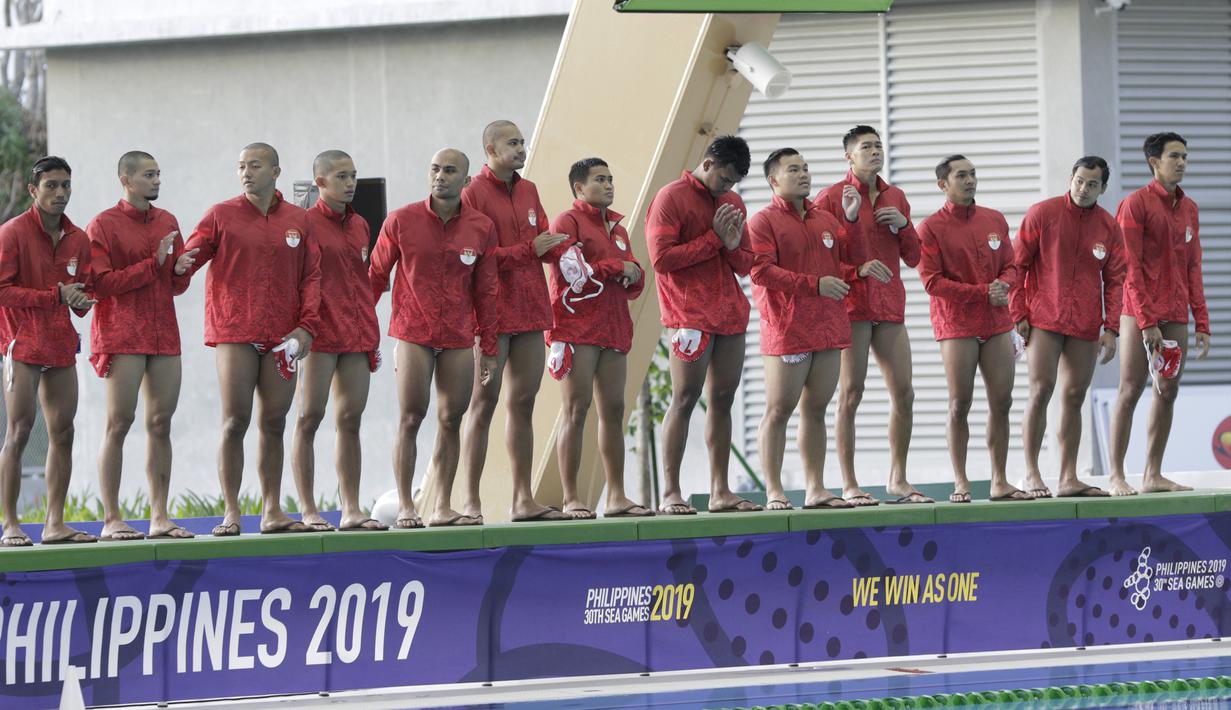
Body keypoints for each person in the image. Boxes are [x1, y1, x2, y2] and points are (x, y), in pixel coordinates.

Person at [185, 143, 320, 535]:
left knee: (274, 422)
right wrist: (178, 264)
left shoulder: (299, 220)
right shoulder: (221, 215)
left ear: (276, 172)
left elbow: (311, 277)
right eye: (241, 166)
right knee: (234, 421)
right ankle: (231, 511)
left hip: (284, 334)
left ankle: (273, 510)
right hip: (235, 331)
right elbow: (191, 257)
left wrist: (307, 327)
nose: (246, 172)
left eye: (255, 165)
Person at [370, 148, 499, 528]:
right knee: (411, 416)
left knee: (450, 420)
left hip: (458, 335)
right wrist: (360, 334)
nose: (440, 176)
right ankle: (408, 504)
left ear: (466, 179)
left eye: (449, 170)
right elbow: (374, 278)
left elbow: (486, 290)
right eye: (435, 169)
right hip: (413, 332)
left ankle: (442, 505)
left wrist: (488, 347)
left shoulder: (481, 227)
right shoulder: (402, 220)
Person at [459, 120, 569, 523]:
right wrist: (529, 250)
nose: (521, 148)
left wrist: (564, 251)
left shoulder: (529, 189)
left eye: (522, 142)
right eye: (512, 142)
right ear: (490, 149)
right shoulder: (472, 193)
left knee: (523, 403)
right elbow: (473, 256)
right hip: (490, 312)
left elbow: (542, 241)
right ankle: (470, 500)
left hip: (531, 307)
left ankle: (522, 498)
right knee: (482, 404)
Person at [646, 135, 762, 515]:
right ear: (708, 163)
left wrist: (730, 245)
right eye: (724, 179)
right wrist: (714, 239)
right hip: (688, 314)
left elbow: (746, 264)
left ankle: (720, 490)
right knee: (684, 398)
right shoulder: (670, 197)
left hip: (729, 312)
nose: (727, 188)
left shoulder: (732, 202)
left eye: (734, 184)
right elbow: (662, 259)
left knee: (723, 401)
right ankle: (671, 492)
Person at [87, 151, 199, 541]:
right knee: (119, 423)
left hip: (163, 333)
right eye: (149, 175)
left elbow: (172, 283)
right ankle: (112, 518)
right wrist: (154, 264)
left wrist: (179, 270)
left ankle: (160, 516)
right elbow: (100, 285)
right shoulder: (103, 224)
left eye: (158, 174)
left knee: (160, 424)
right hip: (121, 333)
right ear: (126, 179)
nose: (156, 181)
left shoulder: (167, 221)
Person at [816, 126, 930, 506]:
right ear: (849, 156)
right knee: (851, 392)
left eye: (878, 145)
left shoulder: (895, 196)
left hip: (889, 305)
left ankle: (898, 478)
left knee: (905, 393)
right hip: (852, 307)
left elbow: (914, 257)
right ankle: (849, 483)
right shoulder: (832, 197)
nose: (875, 151)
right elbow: (820, 258)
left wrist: (903, 225)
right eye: (866, 146)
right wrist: (849, 229)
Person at [751, 148, 859, 511]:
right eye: (793, 169)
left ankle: (816, 488)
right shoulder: (763, 222)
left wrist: (855, 227)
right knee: (779, 409)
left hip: (828, 325)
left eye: (805, 168)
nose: (803, 174)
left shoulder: (827, 220)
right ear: (773, 180)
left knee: (817, 408)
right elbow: (760, 271)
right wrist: (814, 285)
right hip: (787, 327)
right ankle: (775, 490)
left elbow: (841, 266)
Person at [1011, 156, 1124, 499]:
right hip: (1044, 318)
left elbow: (1116, 280)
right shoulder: (1043, 214)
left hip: (1085, 322)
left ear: (1103, 188)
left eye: (1092, 184)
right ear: (1071, 178)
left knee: (1074, 396)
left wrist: (1112, 328)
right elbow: (1017, 265)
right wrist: (1018, 314)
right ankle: (1032, 472)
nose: (1083, 189)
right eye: (1079, 181)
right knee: (1041, 390)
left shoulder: (1108, 226)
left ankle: (1068, 477)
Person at [918, 155, 1029, 503]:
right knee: (959, 403)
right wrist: (983, 291)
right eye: (961, 175)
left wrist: (1003, 285)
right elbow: (932, 282)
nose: (970, 180)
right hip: (956, 324)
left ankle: (1000, 480)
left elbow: (1012, 265)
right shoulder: (931, 228)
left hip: (996, 321)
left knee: (1003, 400)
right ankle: (961, 481)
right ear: (943, 185)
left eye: (973, 174)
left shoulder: (994, 219)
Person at [0, 156, 98, 545]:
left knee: (64, 432)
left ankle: (54, 524)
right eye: (52, 186)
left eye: (65, 186)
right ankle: (10, 525)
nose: (60, 193)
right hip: (21, 342)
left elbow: (80, 294)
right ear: (33, 190)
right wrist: (53, 294)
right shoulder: (12, 233)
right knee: (20, 430)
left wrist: (80, 301)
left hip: (59, 344)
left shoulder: (78, 238)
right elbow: (2, 291)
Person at [1107, 132, 1210, 495]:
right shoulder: (1135, 205)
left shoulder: (1189, 209)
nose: (1181, 162)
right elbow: (1128, 267)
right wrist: (1147, 323)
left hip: (1175, 310)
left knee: (1167, 390)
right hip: (1138, 311)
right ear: (1154, 162)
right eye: (1174, 156)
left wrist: (1202, 321)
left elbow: (1193, 266)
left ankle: (1153, 474)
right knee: (1131, 389)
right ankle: (1117, 474)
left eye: (1185, 155)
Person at [548, 158, 650, 519]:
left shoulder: (617, 228)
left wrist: (630, 272)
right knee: (576, 410)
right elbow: (575, 274)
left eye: (610, 179)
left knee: (614, 411)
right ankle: (571, 497)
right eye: (600, 180)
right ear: (579, 188)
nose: (609, 185)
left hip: (614, 327)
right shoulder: (567, 221)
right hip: (576, 326)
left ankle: (618, 496)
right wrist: (617, 268)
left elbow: (636, 279)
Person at [290, 150, 386, 531]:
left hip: (357, 333)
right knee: (309, 417)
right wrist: (302, 327)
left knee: (350, 420)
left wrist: (369, 329)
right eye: (342, 177)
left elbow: (363, 280)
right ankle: (309, 509)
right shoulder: (304, 223)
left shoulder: (361, 224)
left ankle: (351, 509)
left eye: (354, 176)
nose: (350, 184)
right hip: (319, 333)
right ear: (320, 183)